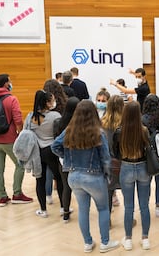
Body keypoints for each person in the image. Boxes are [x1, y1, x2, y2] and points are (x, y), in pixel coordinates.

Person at [51, 100, 119, 253]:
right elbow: (106, 158)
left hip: (73, 177)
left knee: (83, 209)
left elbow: (54, 146)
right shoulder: (99, 133)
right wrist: (108, 176)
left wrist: (66, 158)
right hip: (94, 177)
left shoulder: (69, 130)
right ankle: (105, 243)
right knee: (102, 209)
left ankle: (88, 243)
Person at [0, 74, 32, 206]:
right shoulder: (11, 99)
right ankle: (17, 194)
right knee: (20, 165)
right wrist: (21, 134)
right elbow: (17, 119)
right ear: (6, 84)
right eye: (10, 81)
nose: (11, 83)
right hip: (9, 138)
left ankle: (2, 197)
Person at [112, 101, 151, 251]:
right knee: (144, 206)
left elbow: (115, 152)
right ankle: (145, 238)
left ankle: (128, 239)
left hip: (126, 168)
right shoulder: (144, 130)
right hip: (142, 168)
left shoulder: (119, 131)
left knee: (129, 207)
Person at [30, 90, 63, 218]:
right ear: (48, 103)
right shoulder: (55, 116)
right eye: (53, 100)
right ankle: (63, 207)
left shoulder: (31, 117)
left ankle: (43, 210)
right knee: (59, 178)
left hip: (37, 152)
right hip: (51, 150)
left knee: (40, 180)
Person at [53, 96, 80, 223]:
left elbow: (55, 141)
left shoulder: (58, 122)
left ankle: (65, 212)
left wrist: (62, 155)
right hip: (78, 160)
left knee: (65, 187)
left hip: (63, 160)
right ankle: (84, 210)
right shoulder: (79, 124)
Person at [101, 95, 125, 213]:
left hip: (107, 162)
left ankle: (107, 219)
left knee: (108, 192)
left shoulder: (102, 123)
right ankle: (128, 219)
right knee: (127, 192)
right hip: (124, 162)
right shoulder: (126, 123)